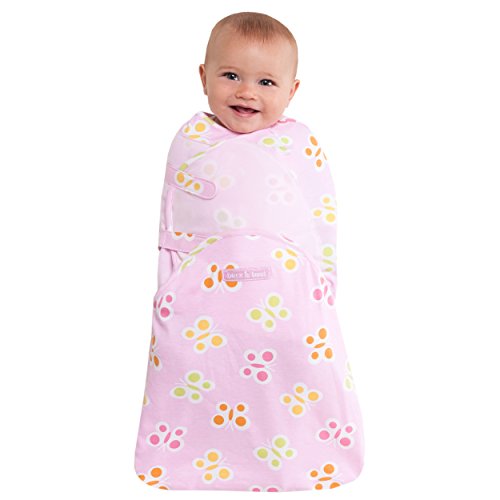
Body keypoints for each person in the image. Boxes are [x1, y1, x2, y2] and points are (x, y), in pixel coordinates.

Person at [135, 12, 364, 492]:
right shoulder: (192, 141)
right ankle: (194, 458)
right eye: (231, 75)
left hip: (288, 301)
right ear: (203, 77)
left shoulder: (300, 145)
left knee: (298, 373)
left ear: (292, 91)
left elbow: (319, 224)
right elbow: (177, 234)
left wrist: (321, 289)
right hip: (204, 301)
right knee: (196, 371)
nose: (246, 92)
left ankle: (301, 456)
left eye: (266, 82)